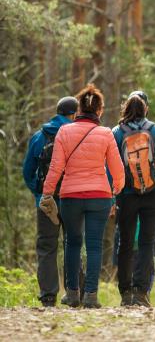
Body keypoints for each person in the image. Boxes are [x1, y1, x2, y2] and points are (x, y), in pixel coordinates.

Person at [42, 84, 125, 308]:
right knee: (95, 245)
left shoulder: (64, 132)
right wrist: (116, 190)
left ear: (78, 109)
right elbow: (118, 171)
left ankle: (72, 293)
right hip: (100, 195)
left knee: (72, 243)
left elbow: (56, 168)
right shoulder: (106, 133)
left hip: (70, 196)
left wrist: (47, 193)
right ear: (99, 110)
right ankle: (91, 296)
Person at [112, 91, 155, 307]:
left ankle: (125, 292)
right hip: (151, 194)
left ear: (125, 109)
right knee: (147, 242)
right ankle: (141, 292)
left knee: (125, 242)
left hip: (126, 195)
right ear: (145, 109)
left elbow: (109, 167)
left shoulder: (117, 133)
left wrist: (111, 196)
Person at [23, 96, 79, 307]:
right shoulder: (76, 136)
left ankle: (48, 295)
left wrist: (39, 193)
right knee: (73, 243)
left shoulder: (39, 136)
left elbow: (27, 171)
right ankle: (75, 292)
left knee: (46, 246)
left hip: (46, 201)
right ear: (73, 114)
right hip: (72, 198)